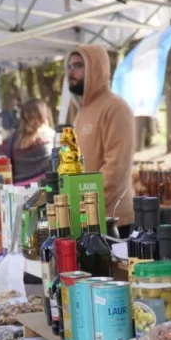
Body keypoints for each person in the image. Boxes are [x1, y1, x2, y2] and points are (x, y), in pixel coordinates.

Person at [66, 45, 135, 237]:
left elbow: (115, 169)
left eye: (79, 66)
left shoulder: (115, 109)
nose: (71, 72)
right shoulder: (82, 112)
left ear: (97, 69)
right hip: (87, 218)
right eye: (69, 66)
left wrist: (83, 206)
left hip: (114, 220)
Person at [0, 98, 55, 185]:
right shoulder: (50, 137)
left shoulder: (13, 141)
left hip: (17, 192)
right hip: (46, 190)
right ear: (44, 115)